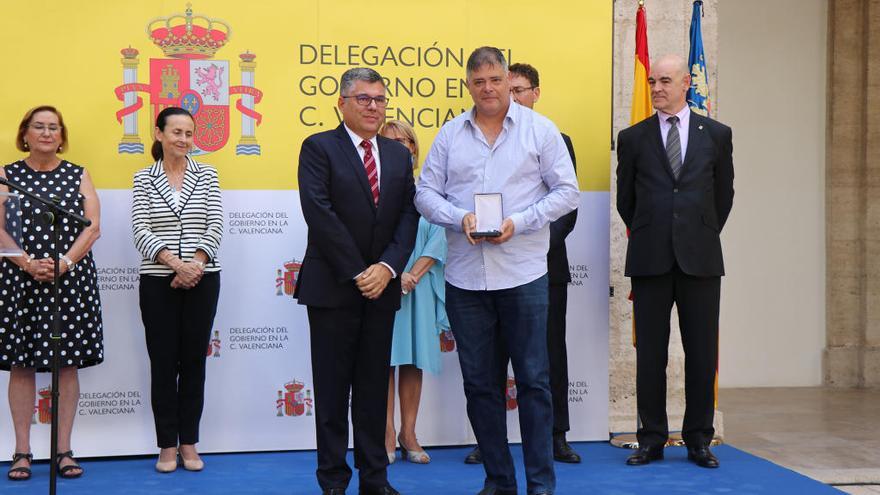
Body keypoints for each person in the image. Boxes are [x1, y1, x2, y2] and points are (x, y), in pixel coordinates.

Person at [416, 47, 579, 495]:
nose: (487, 89)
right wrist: (458, 217)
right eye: (478, 82)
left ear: (509, 80)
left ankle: (541, 485)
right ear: (468, 85)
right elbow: (425, 193)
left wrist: (520, 222)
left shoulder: (539, 130)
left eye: (495, 79)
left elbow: (567, 192)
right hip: (466, 280)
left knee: (534, 384)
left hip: (524, 275)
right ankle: (499, 481)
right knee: (480, 387)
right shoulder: (450, 135)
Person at [296, 68, 418, 495]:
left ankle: (375, 479)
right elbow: (319, 212)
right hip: (332, 289)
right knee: (331, 396)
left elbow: (409, 216)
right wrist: (358, 271)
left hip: (381, 290)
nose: (373, 106)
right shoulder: (318, 147)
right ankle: (332, 480)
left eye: (380, 99)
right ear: (342, 104)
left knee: (371, 393)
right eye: (364, 99)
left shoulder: (399, 155)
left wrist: (385, 268)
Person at [616, 54, 734, 469]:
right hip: (650, 259)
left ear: (687, 83)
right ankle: (651, 438)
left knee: (701, 353)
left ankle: (699, 439)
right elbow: (626, 202)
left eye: (665, 81)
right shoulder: (633, 138)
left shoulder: (716, 134)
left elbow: (723, 198)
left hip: (700, 259)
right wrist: (657, 232)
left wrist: (695, 232)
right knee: (651, 354)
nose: (656, 89)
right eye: (651, 82)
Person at [0, 105, 103, 480]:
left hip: (69, 277)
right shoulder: (6, 175)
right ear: (24, 132)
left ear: (61, 136)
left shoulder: (78, 174)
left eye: (53, 127)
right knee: (21, 363)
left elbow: (91, 228)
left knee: (67, 362)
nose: (46, 133)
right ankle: (22, 452)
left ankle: (63, 450)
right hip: (20, 277)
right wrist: (27, 263)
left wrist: (64, 262)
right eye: (38, 126)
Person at [132, 106, 223, 473]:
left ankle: (190, 442)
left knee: (194, 364)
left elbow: (215, 224)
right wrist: (176, 265)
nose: (183, 140)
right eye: (176, 132)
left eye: (189, 133)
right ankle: (166, 445)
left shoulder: (208, 175)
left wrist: (195, 265)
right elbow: (140, 229)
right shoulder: (143, 178)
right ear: (159, 134)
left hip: (203, 279)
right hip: (158, 281)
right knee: (164, 363)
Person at [380, 120, 448, 465]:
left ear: (414, 149)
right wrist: (394, 276)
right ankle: (386, 434)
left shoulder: (428, 191)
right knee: (383, 363)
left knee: (412, 361)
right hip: (382, 285)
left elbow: (440, 235)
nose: (400, 146)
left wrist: (412, 276)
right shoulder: (372, 189)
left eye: (406, 141)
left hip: (417, 289)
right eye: (391, 140)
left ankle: (409, 432)